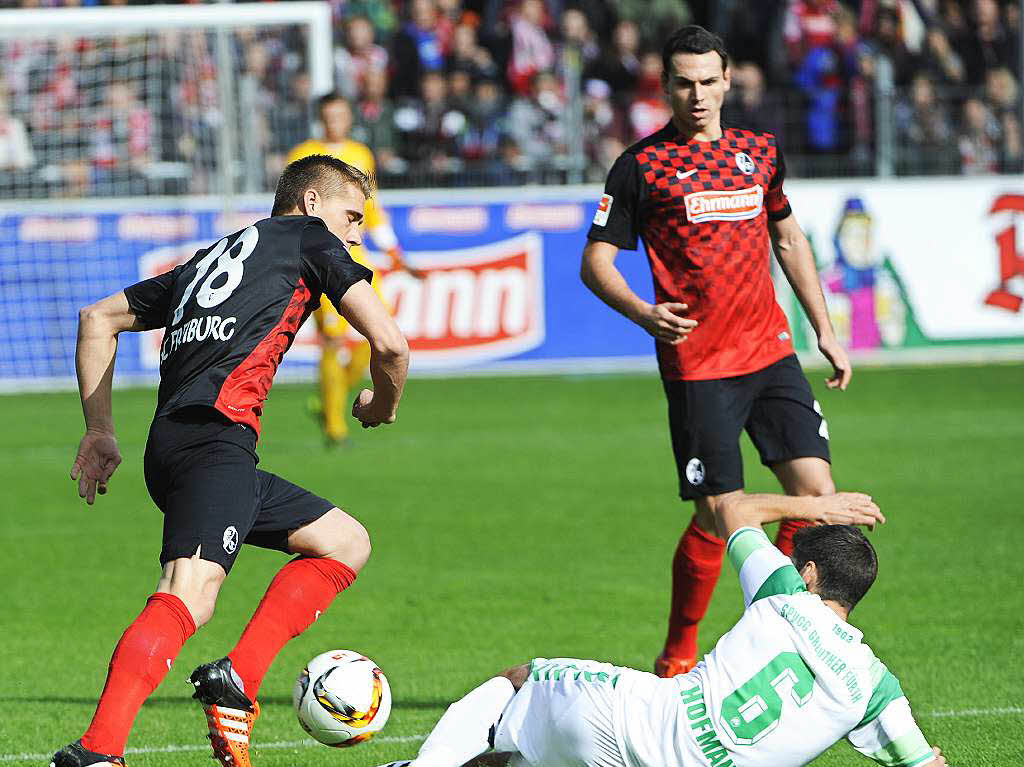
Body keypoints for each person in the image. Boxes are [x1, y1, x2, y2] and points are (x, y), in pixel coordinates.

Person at [52, 154, 410, 767]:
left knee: (345, 542)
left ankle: (236, 678)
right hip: (214, 442)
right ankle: (98, 750)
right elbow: (391, 343)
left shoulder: (215, 257)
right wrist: (382, 400)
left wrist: (100, 431)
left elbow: (98, 318)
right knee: (188, 592)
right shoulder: (310, 241)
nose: (357, 235)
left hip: (187, 449)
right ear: (312, 204)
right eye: (352, 217)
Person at [581, 25, 852, 679]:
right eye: (683, 82)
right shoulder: (641, 166)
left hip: (771, 352)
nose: (697, 94)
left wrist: (824, 327)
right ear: (667, 86)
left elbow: (788, 241)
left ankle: (788, 634)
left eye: (708, 81)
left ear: (728, 80)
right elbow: (595, 262)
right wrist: (645, 313)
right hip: (700, 366)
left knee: (816, 493)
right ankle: (679, 650)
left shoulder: (760, 152)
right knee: (718, 514)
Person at [376, 493, 949, 767]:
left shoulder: (784, 595)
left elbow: (735, 510)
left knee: (521, 682)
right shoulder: (875, 687)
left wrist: (814, 502)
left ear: (810, 573)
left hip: (626, 720)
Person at [287, 92, 419, 445]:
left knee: (376, 336)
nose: (335, 121)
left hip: (354, 258)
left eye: (341, 114)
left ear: (349, 117)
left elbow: (372, 211)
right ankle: (335, 427)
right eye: (329, 115)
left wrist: (395, 254)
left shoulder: (361, 154)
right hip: (316, 259)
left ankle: (330, 398)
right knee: (332, 340)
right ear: (320, 118)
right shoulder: (303, 155)